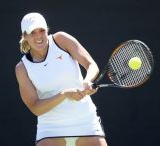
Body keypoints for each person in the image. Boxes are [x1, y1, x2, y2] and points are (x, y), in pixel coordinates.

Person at [15, 12, 108, 146]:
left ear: (46, 30)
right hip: (50, 130)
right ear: (24, 36)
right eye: (32, 32)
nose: (38, 36)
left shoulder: (61, 40)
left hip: (86, 123)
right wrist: (64, 94)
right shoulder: (22, 68)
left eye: (41, 30)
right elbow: (35, 107)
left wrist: (87, 81)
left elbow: (91, 65)